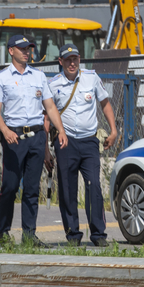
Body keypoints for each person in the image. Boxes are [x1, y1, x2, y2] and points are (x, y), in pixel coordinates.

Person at [0, 34, 68, 247]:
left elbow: (50, 106)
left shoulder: (38, 76)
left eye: (29, 48)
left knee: (32, 188)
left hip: (36, 137)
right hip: (14, 137)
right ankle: (4, 233)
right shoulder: (2, 78)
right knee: (10, 186)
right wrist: (5, 130)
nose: (27, 52)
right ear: (11, 51)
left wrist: (60, 130)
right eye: (22, 48)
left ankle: (29, 235)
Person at [47, 44, 118, 247]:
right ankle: (73, 236)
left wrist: (114, 130)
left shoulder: (91, 77)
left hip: (88, 141)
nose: (72, 63)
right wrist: (46, 150)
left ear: (80, 60)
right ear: (60, 61)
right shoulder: (53, 84)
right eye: (67, 59)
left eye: (75, 59)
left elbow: (105, 103)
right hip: (65, 141)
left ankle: (98, 235)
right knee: (67, 189)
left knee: (94, 186)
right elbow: (46, 118)